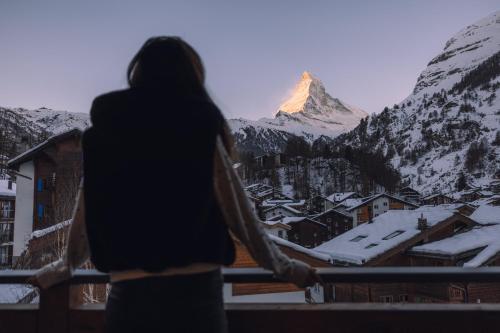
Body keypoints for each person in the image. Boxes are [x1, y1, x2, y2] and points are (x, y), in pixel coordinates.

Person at [31, 36, 321, 333]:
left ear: (138, 73)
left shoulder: (105, 132)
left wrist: (65, 266)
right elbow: (238, 212)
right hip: (195, 296)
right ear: (192, 75)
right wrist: (287, 268)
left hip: (129, 297)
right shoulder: (199, 124)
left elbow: (87, 209)